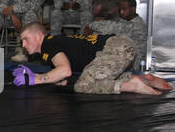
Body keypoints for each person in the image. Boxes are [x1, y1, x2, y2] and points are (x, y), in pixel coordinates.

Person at [13, 22, 172, 95]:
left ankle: (131, 85)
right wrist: (57, 79)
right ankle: (143, 79)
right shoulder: (54, 45)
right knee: (93, 76)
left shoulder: (49, 44)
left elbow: (65, 70)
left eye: (26, 39)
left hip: (114, 48)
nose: (24, 45)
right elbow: (66, 74)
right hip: (117, 45)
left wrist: (36, 78)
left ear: (39, 35)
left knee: (83, 86)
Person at [83, 0, 147, 71]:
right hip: (124, 58)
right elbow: (111, 23)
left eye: (124, 9)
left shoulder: (137, 25)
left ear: (133, 9)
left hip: (133, 65)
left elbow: (111, 28)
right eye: (120, 9)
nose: (121, 12)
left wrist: (91, 25)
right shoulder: (124, 20)